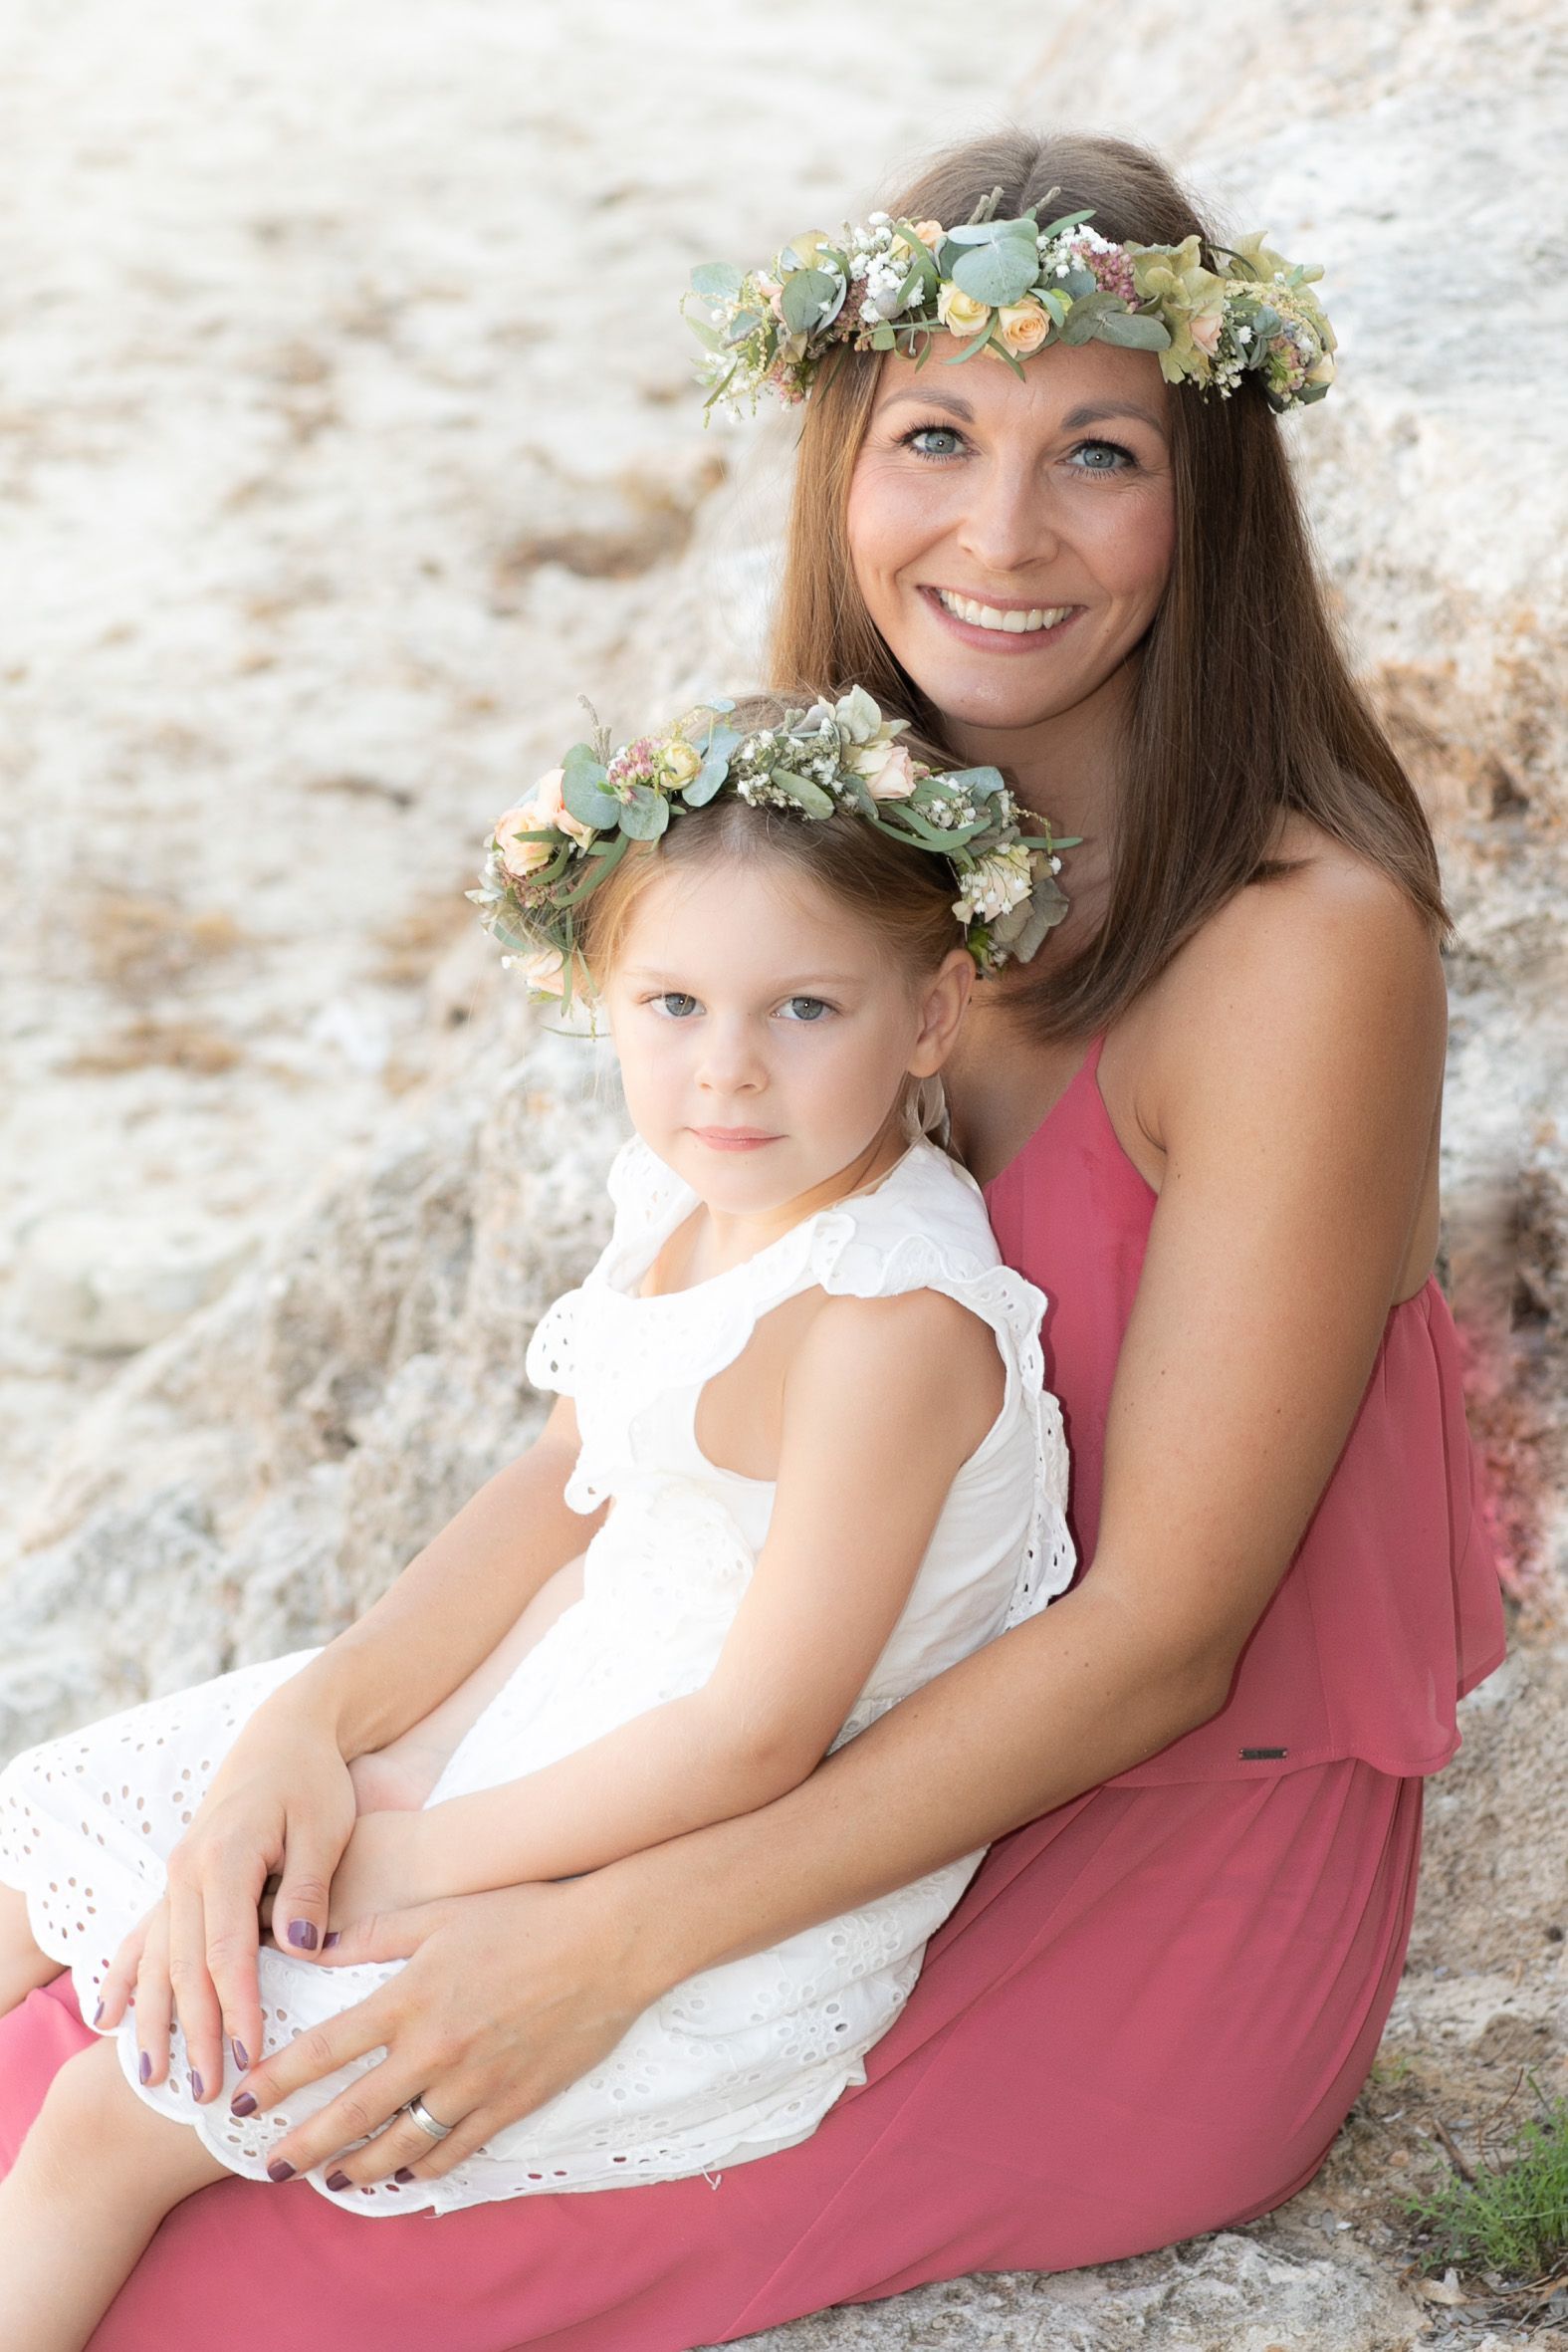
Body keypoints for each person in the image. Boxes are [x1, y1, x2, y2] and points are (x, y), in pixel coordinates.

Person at [0, 128, 1505, 2351]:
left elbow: (1160, 1641)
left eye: (1094, 451)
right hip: (766, 1724)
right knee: (81, 1955)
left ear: (1207, 495)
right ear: (834, 462)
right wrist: (314, 1721)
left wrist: (614, 1939)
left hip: (1113, 1858)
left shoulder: (1300, 944)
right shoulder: (840, 886)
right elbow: (633, 1414)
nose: (998, 536)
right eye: (932, 439)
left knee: (192, 2242)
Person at [0, 691, 1077, 2345]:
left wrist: (406, 1852)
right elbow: (564, 1496)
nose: (726, 1066)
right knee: (42, 1838)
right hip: (549, 1704)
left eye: (804, 1006)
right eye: (672, 1003)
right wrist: (328, 1726)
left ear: (933, 1012)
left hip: (695, 1860)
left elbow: (754, 1733)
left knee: (110, 2114)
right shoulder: (702, 1191)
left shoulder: (887, 1326)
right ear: (602, 995)